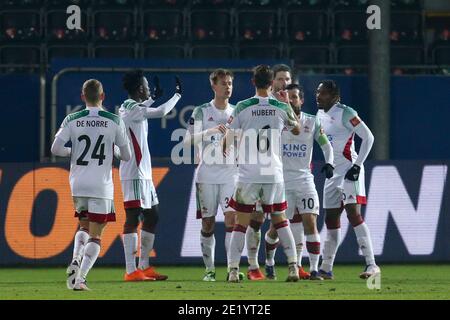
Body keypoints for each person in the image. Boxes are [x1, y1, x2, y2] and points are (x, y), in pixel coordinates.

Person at [223, 65, 301, 283]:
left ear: (253, 82)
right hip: (273, 173)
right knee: (280, 220)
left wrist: (229, 151)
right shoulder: (280, 106)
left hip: (248, 174)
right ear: (271, 83)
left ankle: (232, 270)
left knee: (241, 223)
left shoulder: (242, 106)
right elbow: (297, 129)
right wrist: (287, 105)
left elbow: (226, 141)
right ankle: (293, 267)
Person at [52, 79, 131, 291]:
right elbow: (126, 155)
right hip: (100, 185)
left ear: (82, 97)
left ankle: (76, 257)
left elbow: (56, 149)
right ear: (103, 97)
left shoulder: (72, 118)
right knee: (96, 233)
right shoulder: (114, 120)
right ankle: (81, 278)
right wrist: (111, 151)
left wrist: (73, 152)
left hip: (77, 184)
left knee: (83, 225)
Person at [117, 70, 182, 281]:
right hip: (134, 173)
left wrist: (154, 97)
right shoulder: (130, 108)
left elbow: (145, 108)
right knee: (133, 217)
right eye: (146, 87)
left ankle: (143, 266)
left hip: (143, 174)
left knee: (153, 215)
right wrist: (177, 96)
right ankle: (130, 270)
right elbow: (162, 112)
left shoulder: (133, 107)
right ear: (139, 89)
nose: (148, 89)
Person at [315, 80, 380, 280]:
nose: (318, 96)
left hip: (350, 171)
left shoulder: (346, 112)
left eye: (323, 93)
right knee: (331, 219)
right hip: (332, 174)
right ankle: (326, 268)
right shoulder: (319, 115)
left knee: (353, 213)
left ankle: (372, 265)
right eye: (318, 92)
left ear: (334, 96)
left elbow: (368, 137)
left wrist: (357, 165)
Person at [184, 69, 239, 282]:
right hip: (206, 174)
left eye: (230, 83)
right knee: (207, 223)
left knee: (231, 220)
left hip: (229, 175)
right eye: (224, 83)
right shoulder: (201, 111)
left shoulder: (236, 111)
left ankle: (231, 269)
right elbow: (187, 141)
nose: (228, 87)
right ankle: (209, 270)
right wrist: (210, 132)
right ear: (213, 86)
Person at [277, 83, 334, 280]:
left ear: (301, 100)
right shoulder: (278, 121)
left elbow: (326, 146)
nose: (292, 100)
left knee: (310, 222)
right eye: (289, 97)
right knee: (286, 228)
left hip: (304, 180)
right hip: (282, 182)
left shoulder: (312, 121)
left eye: (295, 97)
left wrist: (330, 163)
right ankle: (292, 265)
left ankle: (314, 269)